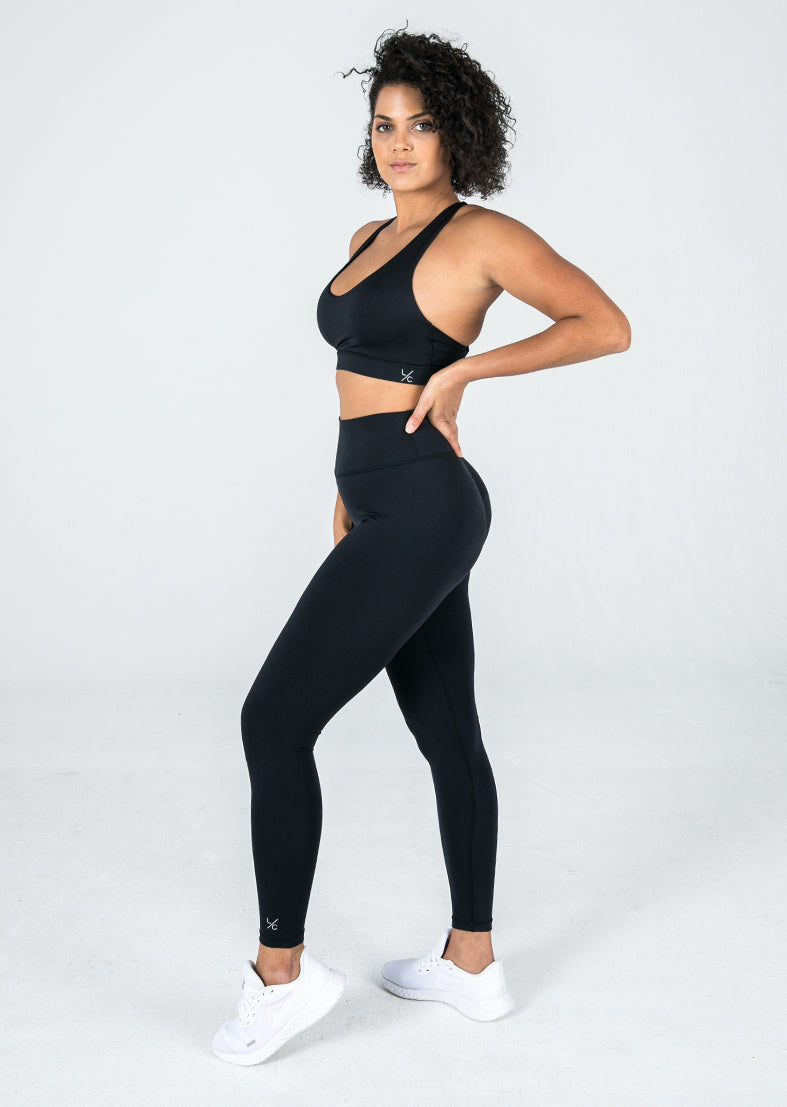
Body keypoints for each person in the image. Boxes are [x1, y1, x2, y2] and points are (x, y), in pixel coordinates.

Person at [212, 26, 630, 1065]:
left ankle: (280, 975)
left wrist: (463, 373)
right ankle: (472, 964)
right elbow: (360, 374)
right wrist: (345, 493)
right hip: (380, 503)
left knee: (272, 721)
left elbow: (602, 323)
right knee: (447, 733)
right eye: (383, 124)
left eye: (422, 124)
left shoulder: (482, 236)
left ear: (458, 134)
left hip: (429, 506)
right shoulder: (366, 236)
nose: (399, 143)